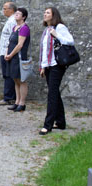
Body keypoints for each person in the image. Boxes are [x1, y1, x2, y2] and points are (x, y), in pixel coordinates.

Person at [38, 7, 74, 135]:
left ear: (54, 15)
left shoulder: (59, 27)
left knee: (52, 94)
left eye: (47, 12)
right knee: (55, 92)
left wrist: (57, 35)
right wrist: (42, 66)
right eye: (44, 12)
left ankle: (48, 125)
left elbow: (70, 41)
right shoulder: (46, 30)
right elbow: (44, 50)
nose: (45, 14)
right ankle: (61, 122)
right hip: (48, 65)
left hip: (57, 65)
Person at [5, 8, 30, 112]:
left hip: (18, 57)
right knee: (15, 79)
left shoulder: (24, 28)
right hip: (11, 56)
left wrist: (10, 54)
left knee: (21, 80)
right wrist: (6, 53)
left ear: (23, 17)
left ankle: (22, 103)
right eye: (16, 13)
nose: (16, 15)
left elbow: (20, 45)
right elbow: (10, 42)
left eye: (18, 14)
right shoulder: (15, 27)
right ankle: (17, 101)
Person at [0, 2, 17, 106]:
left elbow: (12, 37)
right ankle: (9, 96)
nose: (3, 10)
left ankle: (9, 97)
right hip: (4, 51)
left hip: (7, 51)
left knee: (8, 74)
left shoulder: (13, 21)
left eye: (5, 9)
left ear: (11, 10)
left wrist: (7, 52)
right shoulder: (10, 20)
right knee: (6, 74)